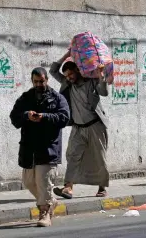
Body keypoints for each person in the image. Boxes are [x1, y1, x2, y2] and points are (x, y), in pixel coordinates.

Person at [10, 67, 70, 227]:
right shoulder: (26, 98)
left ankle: (44, 212)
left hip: (48, 148)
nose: (38, 84)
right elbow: (14, 118)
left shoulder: (57, 98)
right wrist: (26, 116)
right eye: (36, 81)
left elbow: (64, 117)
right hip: (29, 149)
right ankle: (51, 201)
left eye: (41, 81)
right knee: (29, 182)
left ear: (46, 80)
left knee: (44, 182)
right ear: (32, 81)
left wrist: (44, 117)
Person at [50, 50, 110, 199]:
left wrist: (101, 75)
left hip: (95, 126)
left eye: (71, 74)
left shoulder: (91, 81)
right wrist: (67, 54)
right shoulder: (67, 84)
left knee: (99, 157)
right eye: (66, 76)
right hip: (77, 127)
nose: (69, 78)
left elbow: (104, 92)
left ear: (77, 70)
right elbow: (53, 70)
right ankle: (68, 187)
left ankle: (102, 187)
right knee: (72, 155)